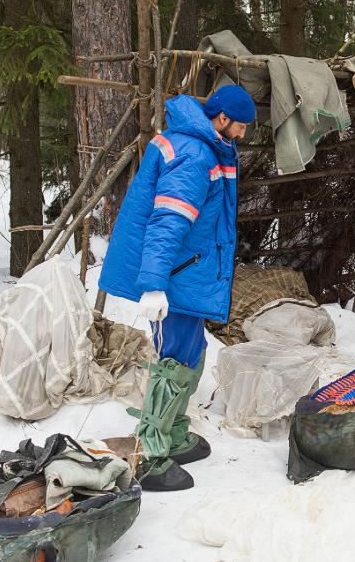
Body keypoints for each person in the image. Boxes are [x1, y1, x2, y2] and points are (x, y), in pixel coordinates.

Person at [98, 84, 255, 491]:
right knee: (174, 358)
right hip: (175, 272)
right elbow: (168, 222)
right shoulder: (194, 153)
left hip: (192, 267)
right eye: (240, 126)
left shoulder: (207, 144)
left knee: (192, 351)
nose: (243, 135)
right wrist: (153, 285)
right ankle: (150, 453)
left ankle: (173, 431)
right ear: (222, 119)